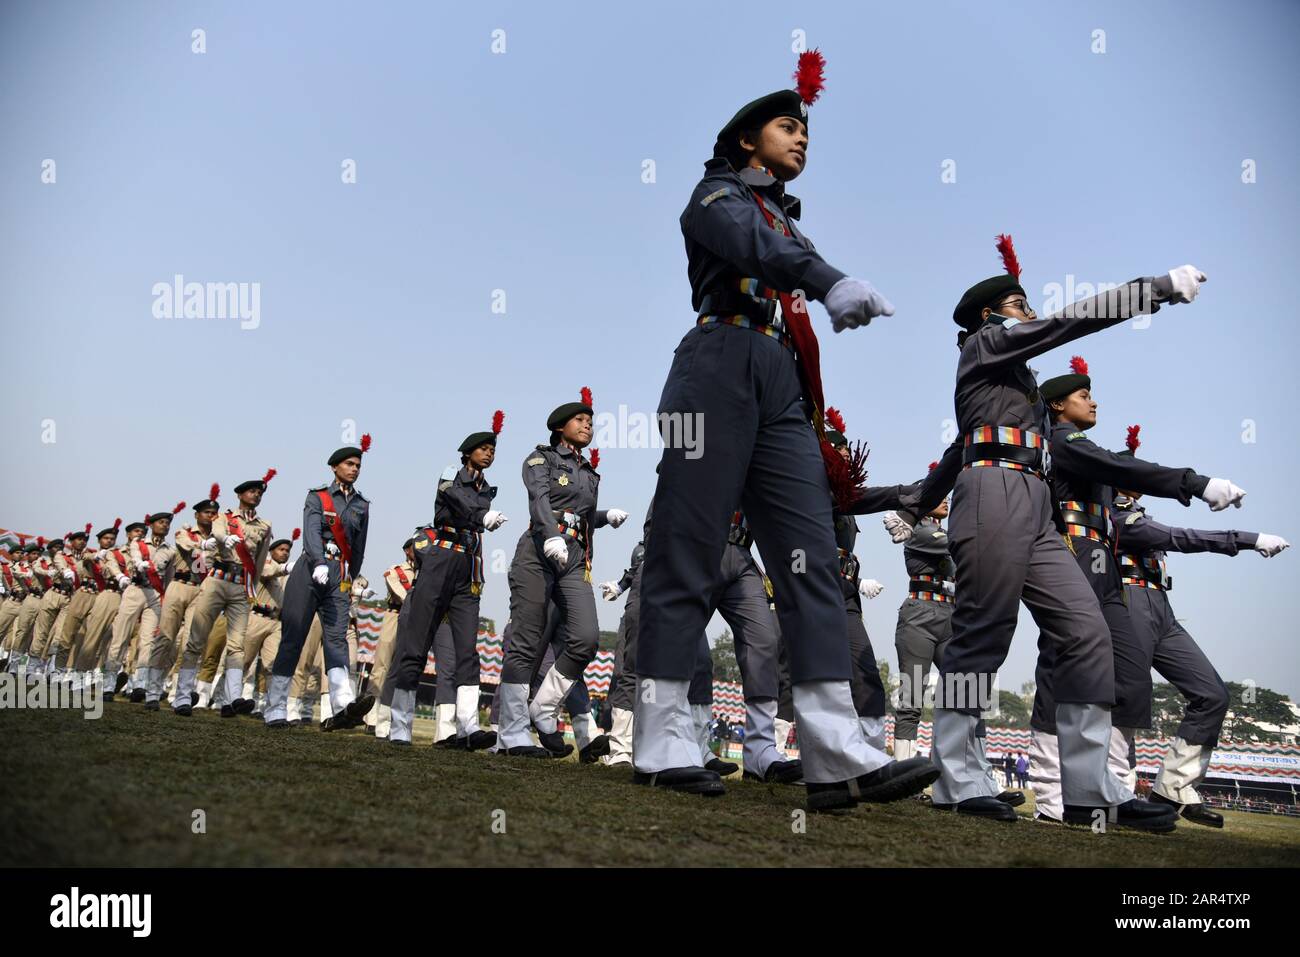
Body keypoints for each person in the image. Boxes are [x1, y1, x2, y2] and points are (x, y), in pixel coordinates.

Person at [636, 50, 936, 808]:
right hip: (718, 360)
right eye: (785, 126)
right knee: (689, 547)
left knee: (812, 561)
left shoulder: (782, 217)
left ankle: (835, 750)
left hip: (777, 380)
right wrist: (829, 278)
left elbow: (782, 250)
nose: (801, 139)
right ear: (746, 140)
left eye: (806, 131)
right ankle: (663, 737)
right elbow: (754, 245)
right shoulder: (717, 195)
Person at [889, 232, 1209, 827]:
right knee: (983, 634)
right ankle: (956, 778)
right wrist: (1153, 291)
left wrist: (919, 501)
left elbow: (958, 447)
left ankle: (1089, 788)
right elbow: (1067, 324)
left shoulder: (1017, 385)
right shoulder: (986, 343)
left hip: (1033, 505)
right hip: (995, 494)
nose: (1030, 314)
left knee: (1087, 633)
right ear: (991, 315)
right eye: (1020, 305)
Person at [1025, 357, 1247, 826]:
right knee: (1058, 670)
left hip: (1103, 568)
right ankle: (1049, 796)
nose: (1093, 400)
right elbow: (1113, 466)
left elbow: (1117, 471)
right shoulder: (1064, 442)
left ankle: (1110, 788)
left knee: (1120, 680)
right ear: (1059, 406)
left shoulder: (1087, 450)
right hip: (1072, 554)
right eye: (1084, 396)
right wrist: (1193, 482)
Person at [1111, 425, 1289, 827]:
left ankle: (1173, 785)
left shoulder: (1137, 513)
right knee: (1128, 704)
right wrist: (1247, 538)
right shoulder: (1116, 518)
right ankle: (1118, 793)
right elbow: (1181, 537)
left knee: (1212, 694)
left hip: (1160, 607)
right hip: (1128, 604)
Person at [498, 390, 627, 758]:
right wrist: (551, 535)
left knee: (586, 638)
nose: (588, 424)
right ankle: (512, 732)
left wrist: (604, 518)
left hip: (574, 557)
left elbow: (581, 517)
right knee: (525, 640)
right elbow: (539, 500)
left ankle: (542, 707)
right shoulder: (541, 459)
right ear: (559, 427)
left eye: (591, 421)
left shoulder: (589, 471)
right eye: (580, 420)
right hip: (539, 550)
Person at [386, 415, 505, 749]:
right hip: (440, 559)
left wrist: (481, 516)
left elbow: (475, 511)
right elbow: (456, 501)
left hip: (467, 566)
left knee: (468, 649)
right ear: (467, 453)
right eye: (483, 449)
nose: (489, 454)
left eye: (492, 449)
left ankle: (467, 727)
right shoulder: (451, 474)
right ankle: (400, 725)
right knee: (416, 645)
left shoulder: (486, 488)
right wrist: (482, 516)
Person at [267, 437, 370, 731]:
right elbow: (312, 532)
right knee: (293, 636)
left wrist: (351, 576)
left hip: (339, 574)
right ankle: (275, 708)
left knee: (337, 640)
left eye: (358, 466)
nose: (354, 469)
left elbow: (359, 547)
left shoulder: (362, 505)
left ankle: (342, 707)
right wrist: (319, 562)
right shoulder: (318, 497)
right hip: (311, 569)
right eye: (349, 464)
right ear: (334, 467)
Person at [176, 469, 275, 717]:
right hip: (217, 580)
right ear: (240, 494)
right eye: (252, 491)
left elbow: (261, 560)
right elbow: (218, 532)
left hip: (241, 584)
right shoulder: (224, 517)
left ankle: (232, 700)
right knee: (196, 639)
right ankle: (182, 697)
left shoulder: (264, 525)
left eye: (260, 492)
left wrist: (252, 585)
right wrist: (227, 538)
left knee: (237, 645)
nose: (256, 495)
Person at [364, 538, 417, 737]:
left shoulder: (425, 571)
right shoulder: (396, 570)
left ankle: (392, 715)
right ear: (406, 550)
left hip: (415, 621)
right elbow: (399, 592)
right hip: (395, 616)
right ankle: (371, 716)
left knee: (404, 667)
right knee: (382, 666)